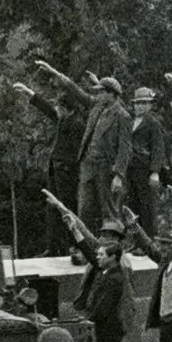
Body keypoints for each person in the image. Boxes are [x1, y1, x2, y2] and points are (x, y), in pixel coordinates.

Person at [14, 65, 88, 255]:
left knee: (67, 207)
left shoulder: (77, 125)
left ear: (69, 110)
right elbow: (48, 110)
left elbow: (79, 152)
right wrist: (30, 94)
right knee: (52, 209)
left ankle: (75, 245)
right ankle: (53, 246)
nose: (57, 110)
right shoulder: (64, 119)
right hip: (56, 169)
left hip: (67, 171)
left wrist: (72, 168)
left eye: (60, 107)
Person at [72, 76, 130, 231]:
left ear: (112, 94)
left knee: (109, 209)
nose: (98, 95)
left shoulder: (122, 116)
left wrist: (119, 175)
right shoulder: (97, 110)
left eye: (102, 92)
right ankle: (85, 246)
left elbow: (125, 148)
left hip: (106, 167)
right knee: (84, 208)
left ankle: (112, 246)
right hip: (89, 164)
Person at [124, 86, 169, 237]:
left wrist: (155, 172)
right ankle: (135, 239)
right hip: (130, 169)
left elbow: (158, 149)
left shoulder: (153, 123)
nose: (140, 106)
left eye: (144, 103)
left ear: (150, 105)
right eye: (137, 103)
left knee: (147, 207)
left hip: (145, 170)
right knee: (131, 206)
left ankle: (150, 240)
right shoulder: (130, 121)